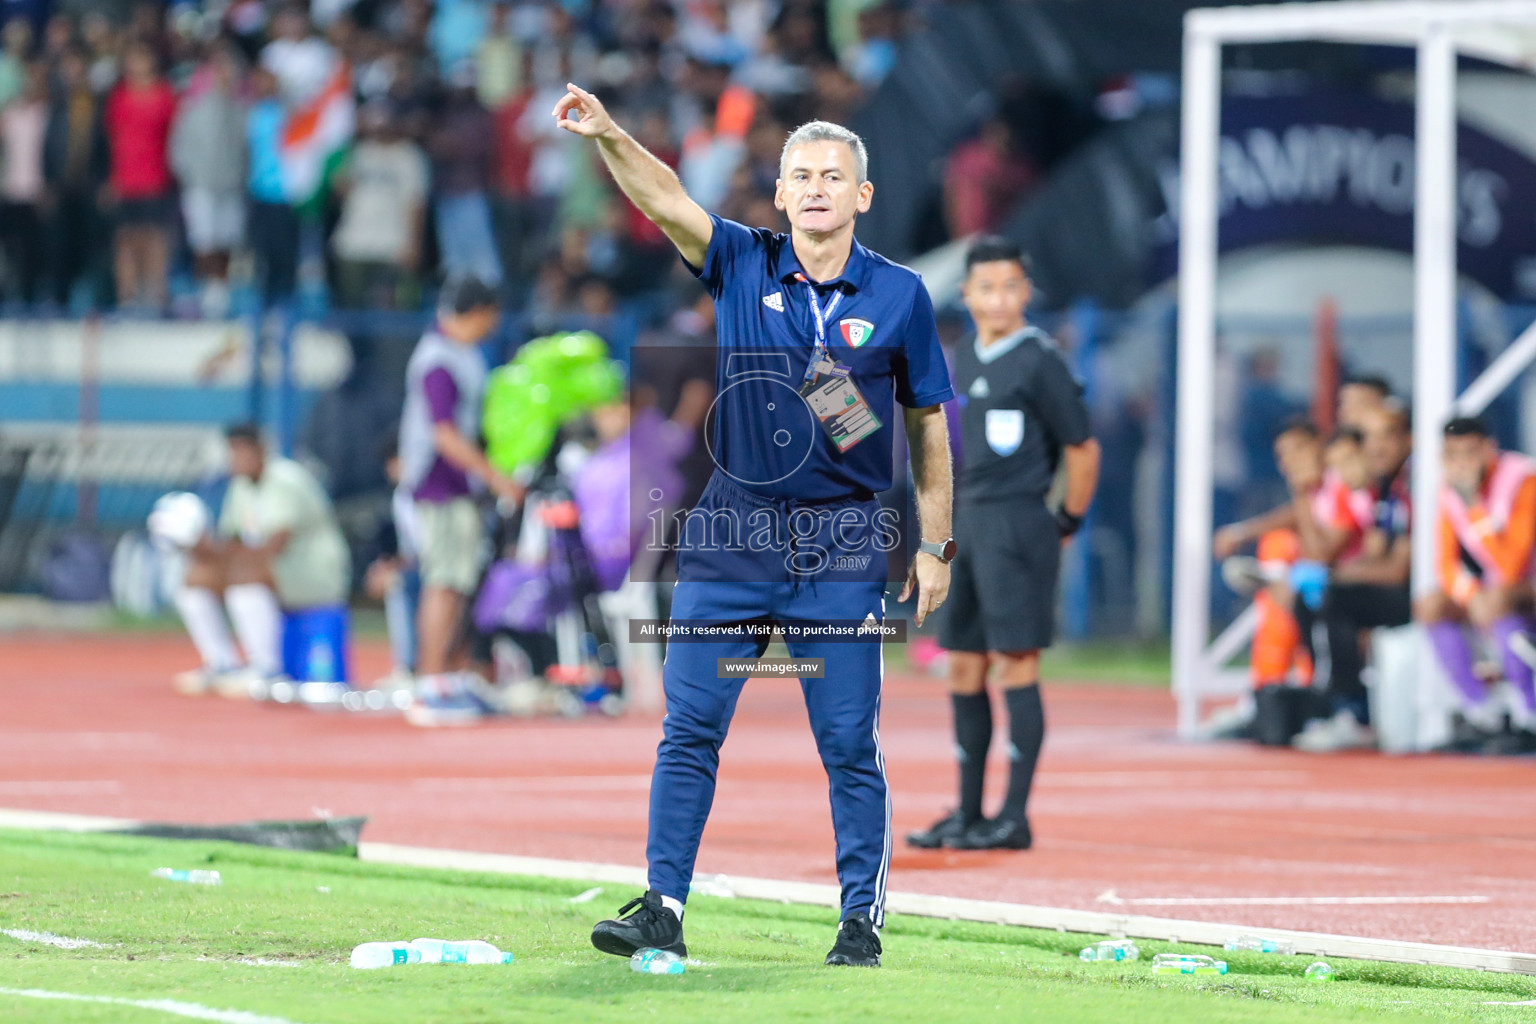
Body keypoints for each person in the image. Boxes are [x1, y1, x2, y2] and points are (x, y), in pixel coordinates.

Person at [554, 84, 955, 968]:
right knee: (689, 726)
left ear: (863, 196)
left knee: (848, 739)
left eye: (832, 175)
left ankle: (861, 918)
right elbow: (665, 199)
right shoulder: (742, 259)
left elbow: (926, 423)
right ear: (777, 194)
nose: (815, 187)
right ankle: (662, 905)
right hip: (734, 530)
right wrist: (613, 134)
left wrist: (933, 544)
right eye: (799, 174)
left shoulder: (901, 296)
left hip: (844, 539)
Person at [905, 237, 1099, 852]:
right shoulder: (959, 356)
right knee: (963, 664)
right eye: (986, 287)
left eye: (1010, 286)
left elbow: (1083, 449)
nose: (998, 299)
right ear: (966, 295)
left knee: (1016, 660)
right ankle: (967, 812)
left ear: (1027, 292)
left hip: (1018, 524)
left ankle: (1013, 816)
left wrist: (1065, 521)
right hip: (966, 526)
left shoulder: (1041, 359)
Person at [398, 275, 523, 727]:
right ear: (480, 312)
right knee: (443, 583)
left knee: (457, 583)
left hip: (455, 487)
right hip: (439, 484)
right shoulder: (439, 359)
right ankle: (429, 684)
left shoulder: (458, 353)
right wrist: (494, 478)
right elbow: (444, 435)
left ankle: (447, 679)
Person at [173, 425, 351, 696]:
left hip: (313, 573)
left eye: (245, 452)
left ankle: (267, 669)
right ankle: (222, 663)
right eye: (233, 452)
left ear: (262, 450)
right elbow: (232, 540)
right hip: (273, 570)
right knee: (195, 578)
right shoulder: (240, 485)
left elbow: (272, 548)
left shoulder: (286, 480)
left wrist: (222, 556)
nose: (238, 459)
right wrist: (200, 548)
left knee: (245, 578)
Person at [1290, 400, 1414, 752]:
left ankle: (1351, 713)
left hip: (1422, 595)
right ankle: (1329, 704)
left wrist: (1335, 573)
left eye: (1387, 436)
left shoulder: (1411, 488)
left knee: (1335, 598)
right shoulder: (1384, 491)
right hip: (1391, 590)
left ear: (1408, 439)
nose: (1377, 446)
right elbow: (1374, 556)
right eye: (1369, 438)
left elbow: (1394, 570)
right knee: (1311, 596)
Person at [1417, 417, 1536, 753]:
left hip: (1525, 583)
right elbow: (1445, 564)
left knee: (1496, 601)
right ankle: (1483, 712)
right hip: (1497, 590)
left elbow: (1513, 565)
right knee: (1431, 605)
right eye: (1452, 456)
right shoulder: (1449, 491)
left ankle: (1529, 712)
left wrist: (1474, 507)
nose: (1461, 464)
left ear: (1488, 450)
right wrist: (1472, 596)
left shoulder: (1523, 480)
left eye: (1469, 453)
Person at [171, 44, 248, 319]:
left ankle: (221, 292)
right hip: (201, 184)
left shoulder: (242, 109)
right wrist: (189, 176)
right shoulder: (194, 106)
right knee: (203, 240)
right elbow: (179, 145)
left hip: (231, 185)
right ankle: (205, 292)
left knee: (226, 240)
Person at [102, 40, 177, 313]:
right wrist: (111, 178)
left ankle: (156, 293)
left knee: (154, 237)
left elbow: (174, 136)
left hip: (155, 177)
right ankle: (127, 295)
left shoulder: (164, 96)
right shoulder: (119, 98)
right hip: (124, 179)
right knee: (126, 238)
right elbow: (112, 138)